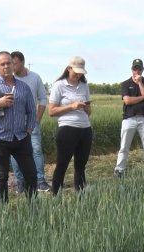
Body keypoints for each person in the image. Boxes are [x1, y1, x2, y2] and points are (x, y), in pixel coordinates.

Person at [0, 51, 37, 203]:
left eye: (9, 63)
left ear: (13, 64)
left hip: (21, 137)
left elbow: (31, 110)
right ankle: (3, 210)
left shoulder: (23, 87)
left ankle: (34, 207)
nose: (6, 66)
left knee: (31, 173)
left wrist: (29, 129)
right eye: (2, 64)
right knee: (1, 176)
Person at [48, 56, 92, 195]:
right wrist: (72, 106)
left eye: (81, 73)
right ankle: (56, 194)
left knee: (81, 165)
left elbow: (89, 111)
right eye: (76, 72)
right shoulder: (59, 85)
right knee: (62, 164)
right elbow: (52, 111)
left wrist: (85, 107)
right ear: (68, 69)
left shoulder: (84, 85)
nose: (78, 75)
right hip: (67, 129)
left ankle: (80, 194)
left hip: (85, 129)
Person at [9, 51, 52, 192]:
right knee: (15, 153)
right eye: (10, 63)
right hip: (14, 124)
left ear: (22, 62)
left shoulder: (35, 78)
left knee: (36, 150)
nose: (11, 67)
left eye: (14, 63)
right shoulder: (9, 79)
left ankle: (40, 181)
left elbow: (43, 99)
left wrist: (37, 119)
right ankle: (20, 181)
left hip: (31, 122)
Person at [114, 58, 144, 177]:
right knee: (124, 146)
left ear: (143, 69)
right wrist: (143, 97)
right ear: (131, 69)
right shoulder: (125, 84)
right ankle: (119, 170)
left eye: (139, 68)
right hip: (129, 118)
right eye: (135, 68)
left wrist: (140, 83)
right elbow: (127, 101)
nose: (137, 70)